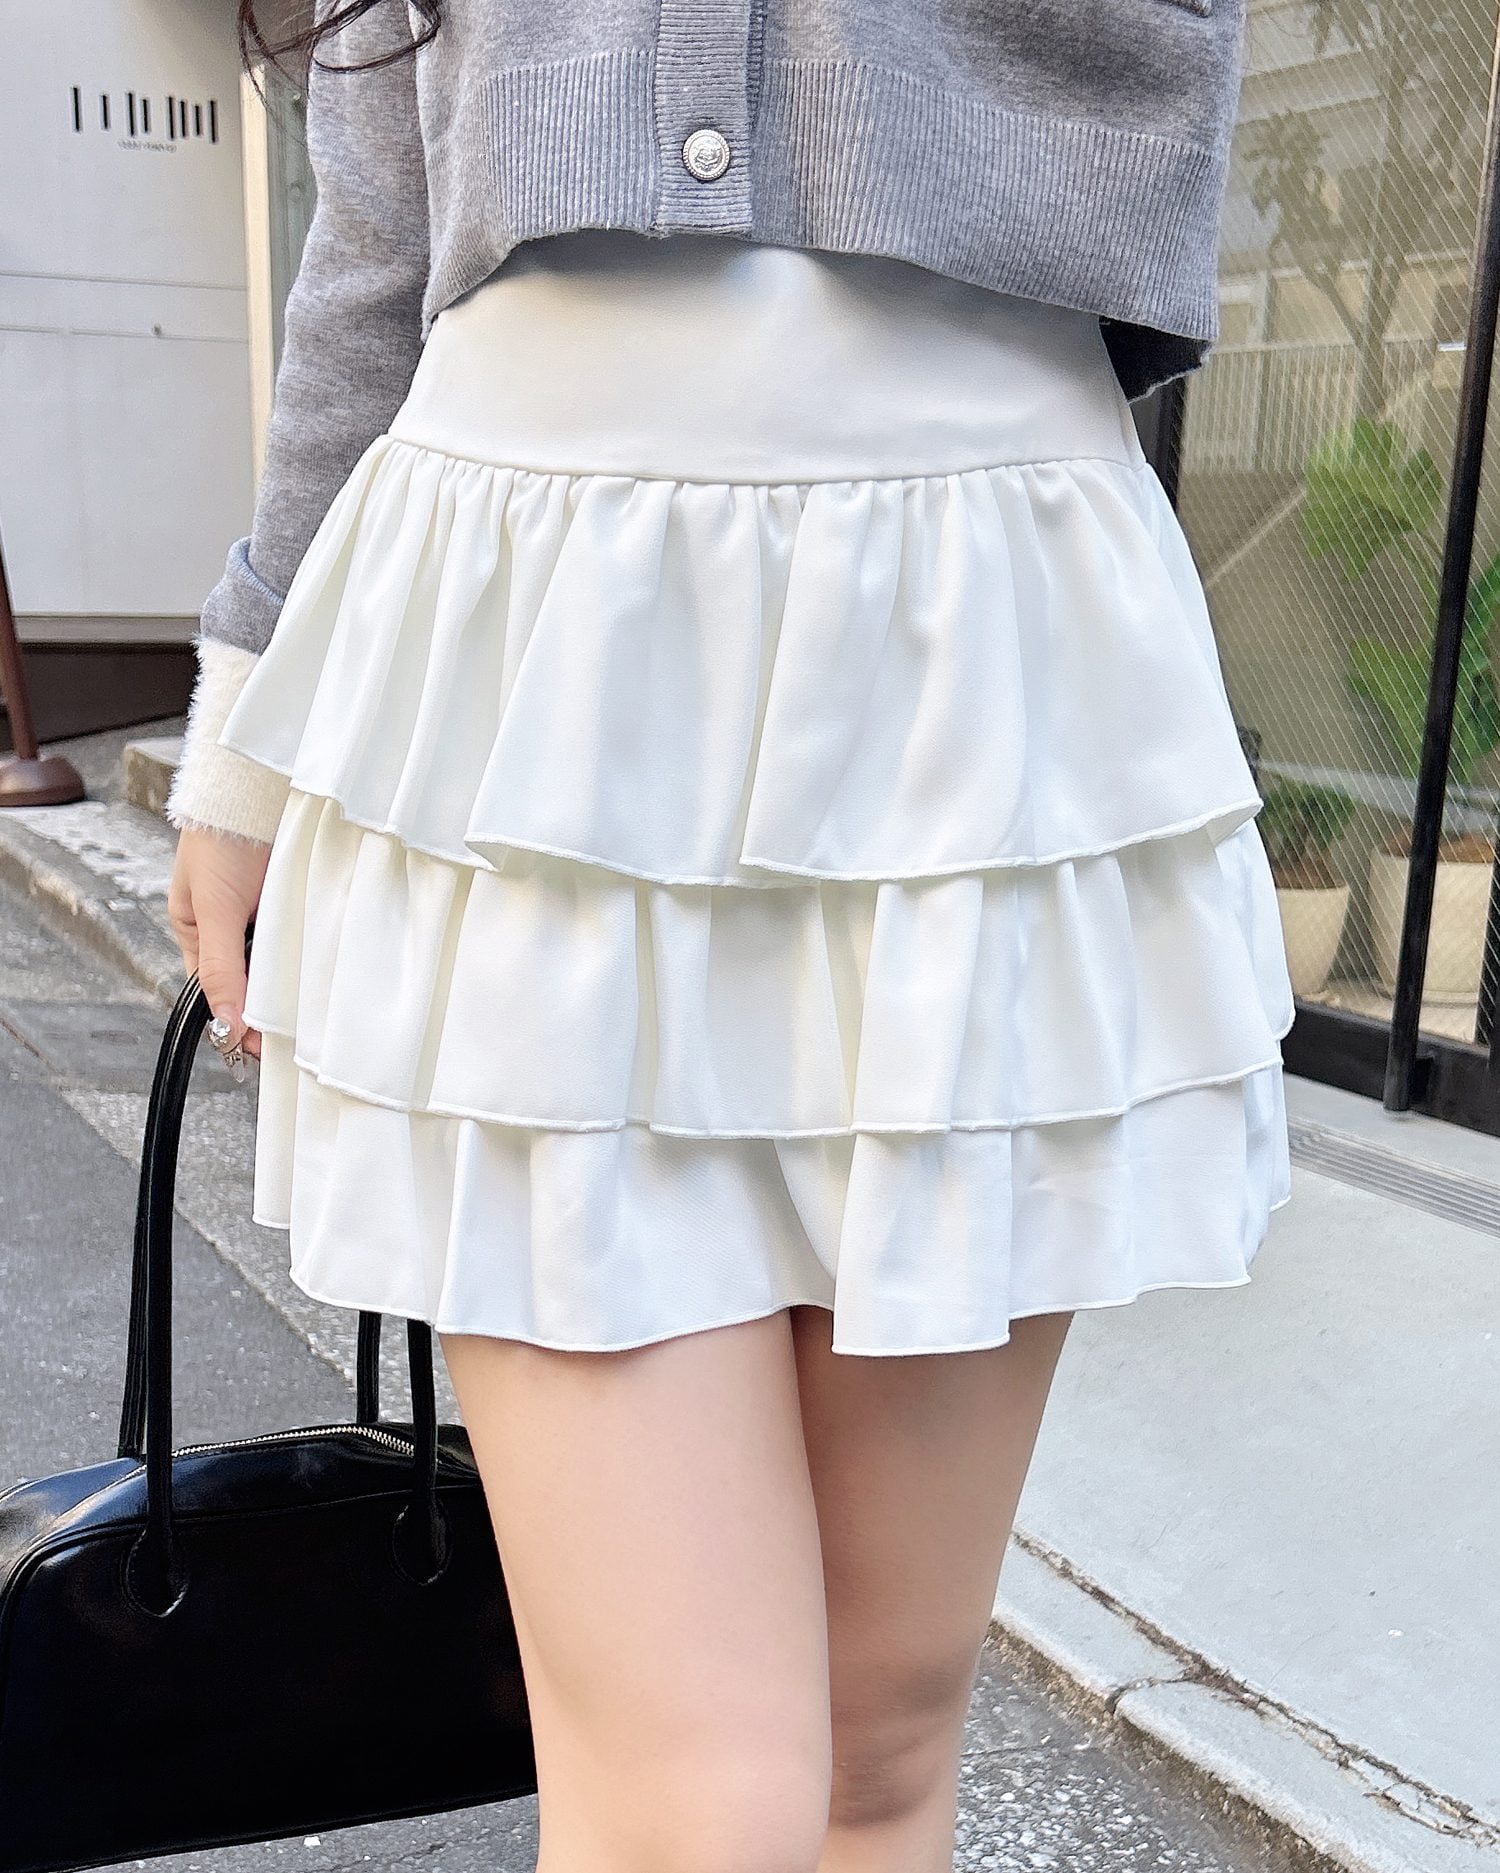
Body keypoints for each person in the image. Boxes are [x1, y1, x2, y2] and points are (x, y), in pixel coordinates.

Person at [166, 3, 1292, 1867]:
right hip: (539, 661)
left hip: (981, 634)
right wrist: (250, 705)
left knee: (882, 1734)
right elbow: (374, 213)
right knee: (700, 1795)